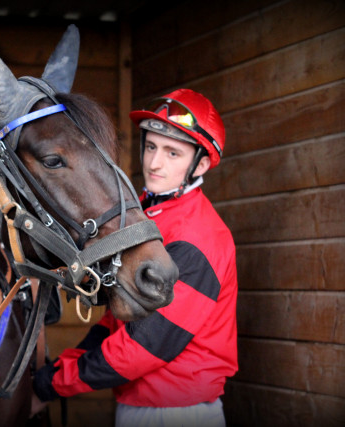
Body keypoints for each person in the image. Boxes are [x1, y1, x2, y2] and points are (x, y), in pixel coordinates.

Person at [31, 88, 238, 427]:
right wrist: (53, 374)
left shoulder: (198, 238)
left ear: (199, 164)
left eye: (173, 153)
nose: (155, 163)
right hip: (142, 408)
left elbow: (144, 347)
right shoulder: (145, 215)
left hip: (178, 414)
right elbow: (116, 325)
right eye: (152, 146)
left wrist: (50, 386)